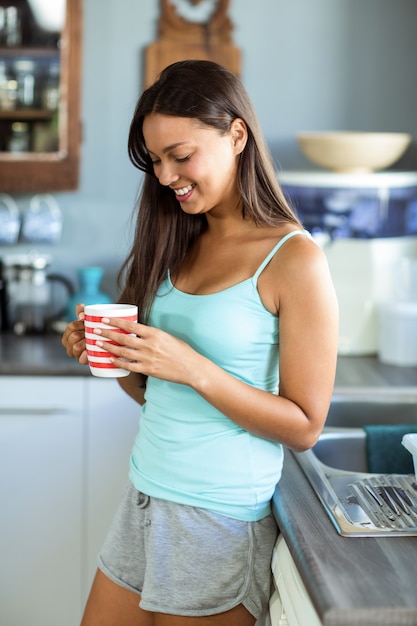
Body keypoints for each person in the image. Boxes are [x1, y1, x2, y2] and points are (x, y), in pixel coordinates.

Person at [62, 59, 338, 626]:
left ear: (237, 135)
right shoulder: (178, 240)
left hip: (217, 522)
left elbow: (305, 425)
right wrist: (115, 359)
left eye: (180, 156)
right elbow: (158, 397)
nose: (166, 177)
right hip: (143, 500)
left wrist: (190, 366)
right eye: (156, 161)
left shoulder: (294, 259)